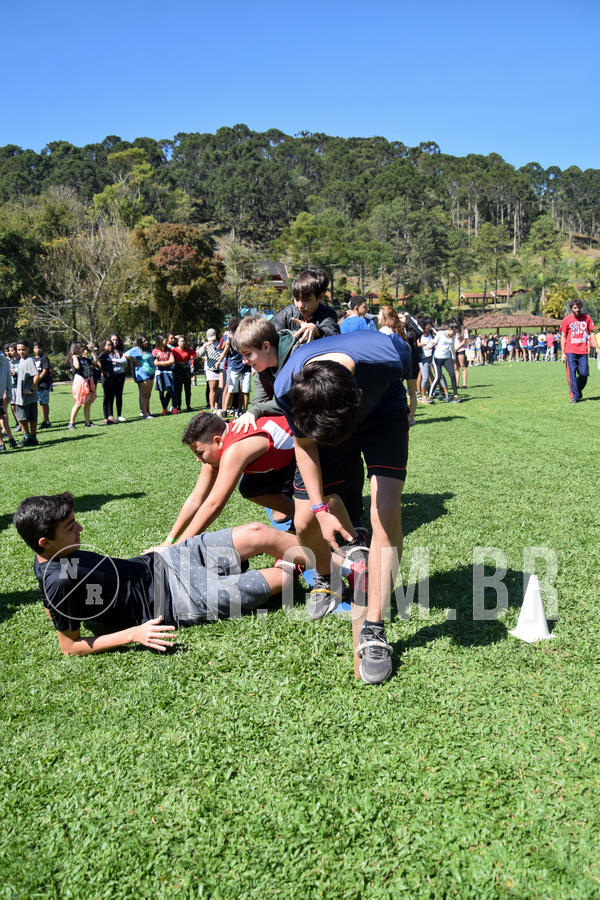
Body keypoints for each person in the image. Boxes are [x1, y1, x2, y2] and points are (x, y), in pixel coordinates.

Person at [274, 329, 412, 685]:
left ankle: (374, 629)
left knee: (386, 512)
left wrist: (411, 403)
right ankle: (325, 576)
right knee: (303, 521)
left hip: (384, 415)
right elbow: (304, 445)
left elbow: (411, 364)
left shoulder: (388, 356)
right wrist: (319, 510)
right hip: (326, 421)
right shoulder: (289, 388)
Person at [14, 492, 310, 657]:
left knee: (257, 532)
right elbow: (69, 647)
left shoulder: (53, 555)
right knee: (282, 580)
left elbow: (49, 601)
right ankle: (320, 562)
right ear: (45, 542)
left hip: (167, 560)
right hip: (179, 601)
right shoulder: (58, 582)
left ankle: (328, 554)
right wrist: (133, 633)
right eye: (70, 528)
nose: (80, 529)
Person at [153, 412, 297, 549]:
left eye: (200, 453)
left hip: (307, 446)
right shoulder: (217, 447)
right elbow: (197, 497)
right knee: (251, 488)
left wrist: (178, 547)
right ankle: (298, 515)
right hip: (282, 458)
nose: (198, 460)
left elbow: (214, 504)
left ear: (218, 441)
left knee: (312, 504)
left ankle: (308, 521)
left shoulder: (235, 449)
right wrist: (169, 541)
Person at [272, 267, 338, 342]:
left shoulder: (328, 314)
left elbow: (333, 337)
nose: (300, 305)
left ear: (320, 297)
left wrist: (317, 331)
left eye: (306, 300)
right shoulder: (285, 315)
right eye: (296, 299)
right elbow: (273, 341)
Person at [560, 299, 597, 403]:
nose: (577, 309)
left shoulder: (587, 318)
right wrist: (563, 353)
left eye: (579, 307)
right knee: (572, 373)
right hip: (570, 351)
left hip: (583, 351)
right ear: (571, 308)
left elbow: (592, 333)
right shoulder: (566, 320)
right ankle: (575, 397)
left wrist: (596, 347)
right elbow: (563, 336)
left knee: (584, 374)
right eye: (575, 308)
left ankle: (577, 391)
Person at [218, 318, 251, 415]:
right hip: (236, 367)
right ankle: (226, 410)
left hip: (244, 367)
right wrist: (219, 361)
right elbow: (225, 350)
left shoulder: (240, 337)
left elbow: (225, 350)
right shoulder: (232, 338)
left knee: (243, 389)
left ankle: (242, 410)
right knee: (234, 389)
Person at [65, 342, 99, 430]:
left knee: (88, 402)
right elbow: (76, 367)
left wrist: (92, 351)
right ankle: (71, 423)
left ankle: (88, 423)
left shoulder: (84, 359)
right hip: (80, 382)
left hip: (88, 381)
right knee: (79, 403)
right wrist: (74, 357)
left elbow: (95, 361)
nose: (83, 349)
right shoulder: (74, 359)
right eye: (80, 348)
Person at [14, 339, 41, 446]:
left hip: (27, 396)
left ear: (28, 349)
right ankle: (28, 436)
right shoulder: (21, 360)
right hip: (21, 396)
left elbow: (36, 375)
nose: (21, 352)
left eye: (23, 349)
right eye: (19, 350)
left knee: (29, 417)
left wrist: (31, 389)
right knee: (22, 417)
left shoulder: (29, 360)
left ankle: (31, 437)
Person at [124, 335, 155, 419]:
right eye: (144, 341)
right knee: (143, 394)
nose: (146, 342)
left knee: (148, 395)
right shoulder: (137, 350)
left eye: (146, 340)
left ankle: (148, 412)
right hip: (143, 373)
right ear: (140, 343)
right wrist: (136, 362)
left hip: (151, 374)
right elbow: (126, 355)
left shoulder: (147, 350)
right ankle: (145, 413)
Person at [97, 338, 127, 425]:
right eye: (109, 345)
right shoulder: (102, 354)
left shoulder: (108, 354)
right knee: (106, 398)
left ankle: (110, 417)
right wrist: (101, 371)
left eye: (111, 345)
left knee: (110, 397)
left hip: (111, 378)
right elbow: (95, 361)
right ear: (104, 346)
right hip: (106, 379)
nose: (111, 346)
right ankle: (105, 418)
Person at [428, 325, 460, 403]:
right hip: (437, 358)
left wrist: (454, 358)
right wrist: (429, 345)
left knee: (452, 375)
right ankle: (430, 396)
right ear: (449, 329)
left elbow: (452, 348)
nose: (454, 334)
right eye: (453, 332)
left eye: (455, 332)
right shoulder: (440, 333)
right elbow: (434, 341)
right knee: (438, 377)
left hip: (447, 358)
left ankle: (455, 395)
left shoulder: (453, 337)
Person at [196, 329, 222, 411]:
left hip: (221, 368)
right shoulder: (206, 345)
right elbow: (198, 354)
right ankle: (212, 407)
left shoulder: (221, 343)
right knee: (212, 389)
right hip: (210, 369)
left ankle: (218, 406)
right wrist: (205, 346)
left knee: (220, 389)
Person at [152, 334, 176, 415]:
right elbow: (155, 363)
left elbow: (172, 361)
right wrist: (166, 363)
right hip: (159, 373)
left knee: (171, 390)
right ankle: (164, 409)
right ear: (160, 341)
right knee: (161, 391)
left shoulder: (169, 350)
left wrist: (161, 363)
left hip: (169, 372)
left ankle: (175, 408)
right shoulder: (155, 351)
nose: (166, 341)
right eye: (164, 340)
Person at [172, 334, 195, 412]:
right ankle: (178, 406)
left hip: (186, 369)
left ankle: (188, 405)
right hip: (177, 369)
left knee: (187, 389)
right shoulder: (174, 350)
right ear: (178, 342)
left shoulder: (188, 350)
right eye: (181, 341)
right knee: (178, 389)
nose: (182, 343)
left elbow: (195, 354)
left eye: (183, 341)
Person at [0, 346, 17, 449]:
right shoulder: (5, 359)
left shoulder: (4, 359)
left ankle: (1, 443)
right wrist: (9, 392)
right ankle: (10, 439)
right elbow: (8, 377)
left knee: (2, 415)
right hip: (1, 392)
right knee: (2, 415)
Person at [32, 341, 52, 428]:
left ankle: (46, 421)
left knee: (43, 403)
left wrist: (37, 380)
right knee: (36, 403)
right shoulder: (32, 359)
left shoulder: (44, 358)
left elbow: (45, 370)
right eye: (36, 348)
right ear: (33, 349)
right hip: (34, 385)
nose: (38, 350)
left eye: (39, 348)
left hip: (43, 384)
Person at [109, 333, 128, 421]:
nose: (115, 342)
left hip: (120, 375)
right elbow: (108, 362)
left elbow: (124, 361)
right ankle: (111, 415)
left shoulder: (121, 350)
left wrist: (114, 360)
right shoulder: (108, 351)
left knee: (119, 395)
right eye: (113, 340)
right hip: (111, 375)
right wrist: (118, 361)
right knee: (111, 395)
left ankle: (119, 415)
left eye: (116, 340)